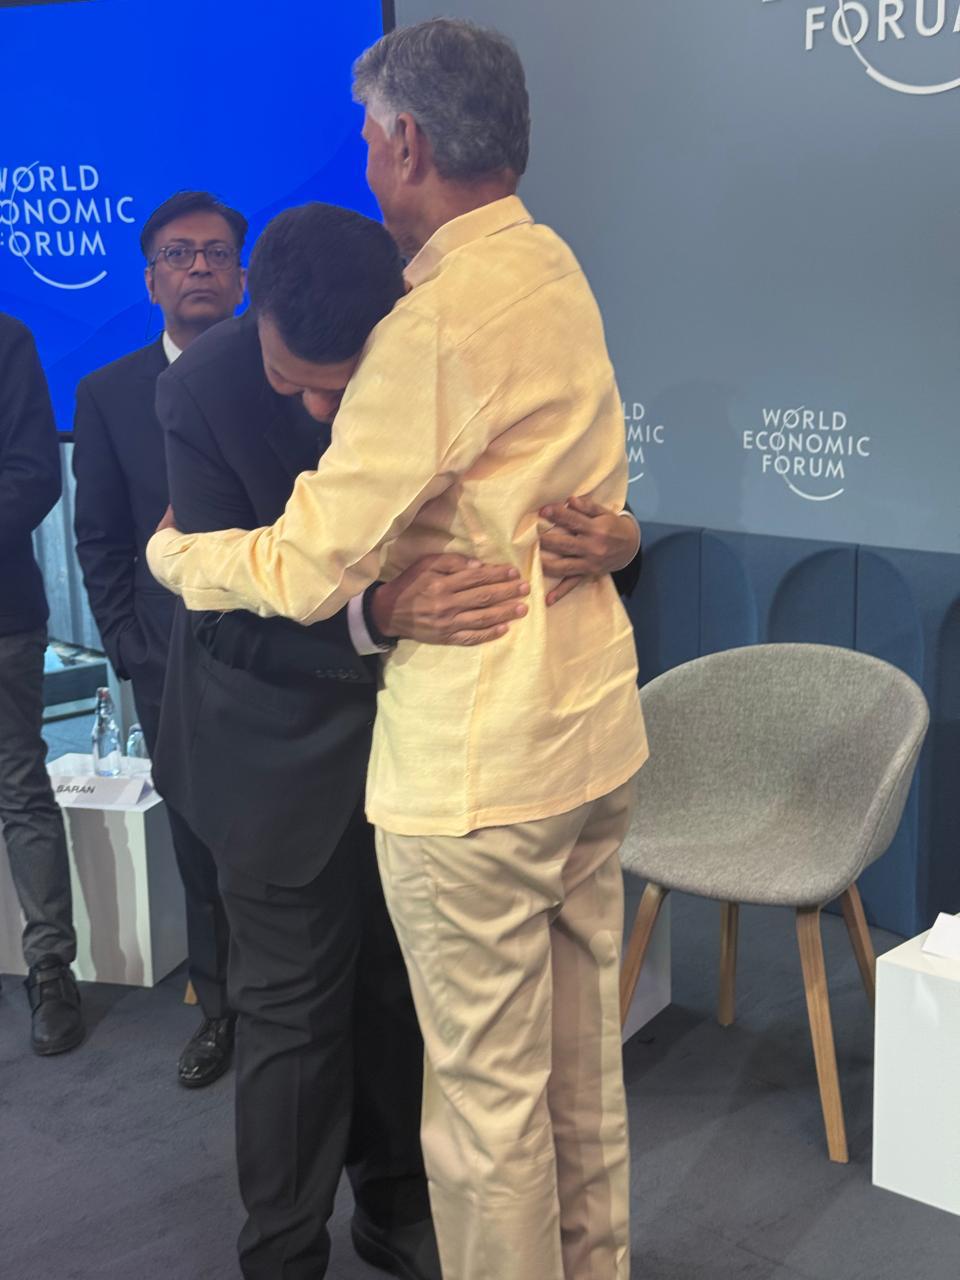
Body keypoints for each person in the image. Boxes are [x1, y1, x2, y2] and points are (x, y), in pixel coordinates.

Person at [148, 20, 648, 1277]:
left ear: (404, 142)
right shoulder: (549, 262)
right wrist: (621, 531)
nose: (367, 157)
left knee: (484, 1112)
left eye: (369, 136)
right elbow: (572, 491)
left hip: (479, 769)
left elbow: (307, 562)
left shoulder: (431, 324)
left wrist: (178, 555)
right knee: (580, 1077)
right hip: (590, 732)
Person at [72, 191, 246, 1087]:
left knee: (297, 840)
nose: (200, 268)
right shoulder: (107, 394)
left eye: (216, 253)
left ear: (242, 276)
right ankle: (221, 1010)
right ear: (150, 281)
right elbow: (99, 538)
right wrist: (130, 648)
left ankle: (306, 1003)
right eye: (179, 254)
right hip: (168, 659)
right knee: (197, 842)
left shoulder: (291, 375)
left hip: (285, 653)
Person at [0, 313, 84, 1056]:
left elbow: (33, 476)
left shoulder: (8, 340)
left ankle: (50, 968)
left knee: (20, 787)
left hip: (1, 617)